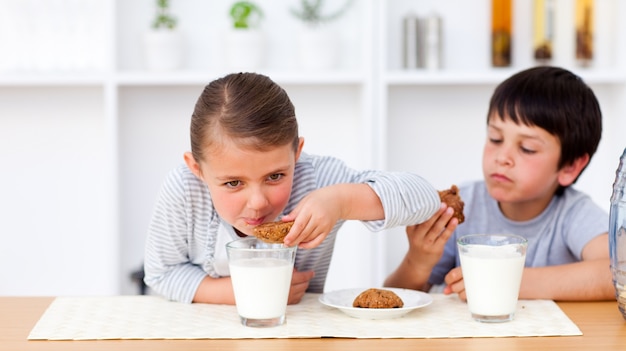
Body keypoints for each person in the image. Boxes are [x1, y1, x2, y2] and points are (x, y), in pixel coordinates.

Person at [143, 72, 441, 304]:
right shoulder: (184, 189)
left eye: (275, 177)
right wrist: (245, 291)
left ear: (296, 154)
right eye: (233, 183)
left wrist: (340, 201)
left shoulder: (318, 180)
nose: (258, 202)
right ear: (197, 168)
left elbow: (425, 197)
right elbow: (161, 273)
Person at [385, 66, 614, 301]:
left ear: (570, 167)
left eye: (527, 148)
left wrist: (511, 280)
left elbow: (618, 272)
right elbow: (394, 298)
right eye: (495, 138)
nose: (501, 157)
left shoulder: (573, 213)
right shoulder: (465, 205)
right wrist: (417, 262)